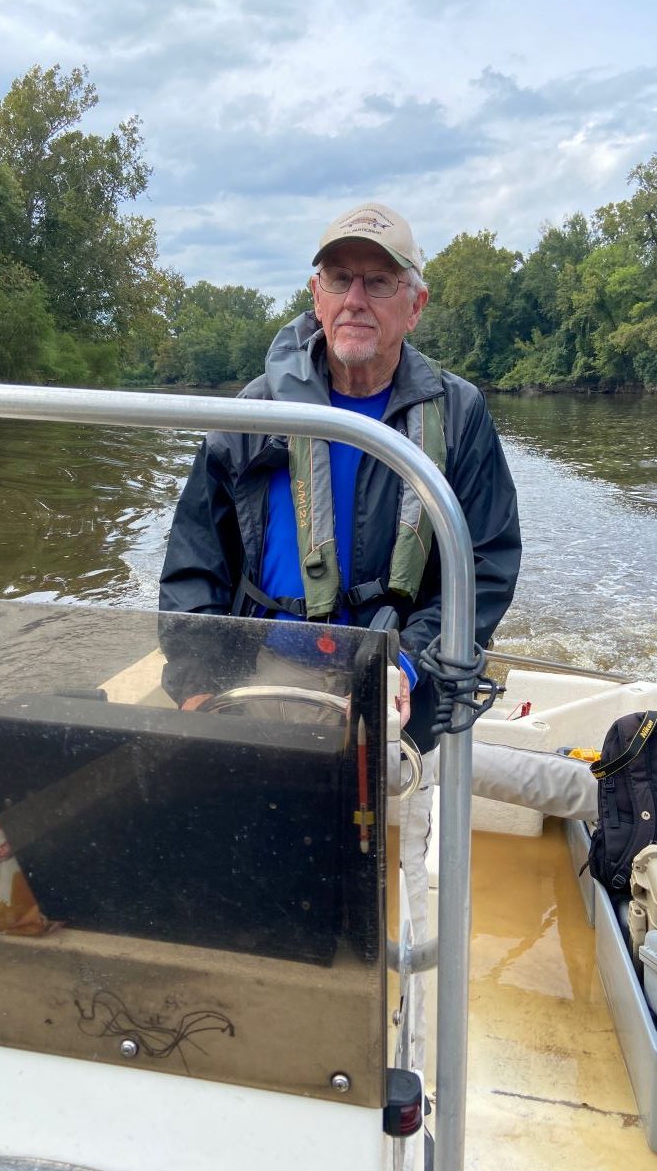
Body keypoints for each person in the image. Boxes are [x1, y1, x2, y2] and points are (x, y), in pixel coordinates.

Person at [158, 201, 521, 1062]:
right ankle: (247, 1029)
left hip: (392, 696)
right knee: (242, 890)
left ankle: (378, 1052)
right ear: (315, 294)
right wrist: (195, 673)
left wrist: (420, 677)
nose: (356, 297)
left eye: (379, 281)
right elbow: (193, 564)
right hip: (259, 686)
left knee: (376, 904)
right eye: (339, 278)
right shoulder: (254, 409)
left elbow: (487, 566)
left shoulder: (459, 418)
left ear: (413, 303)